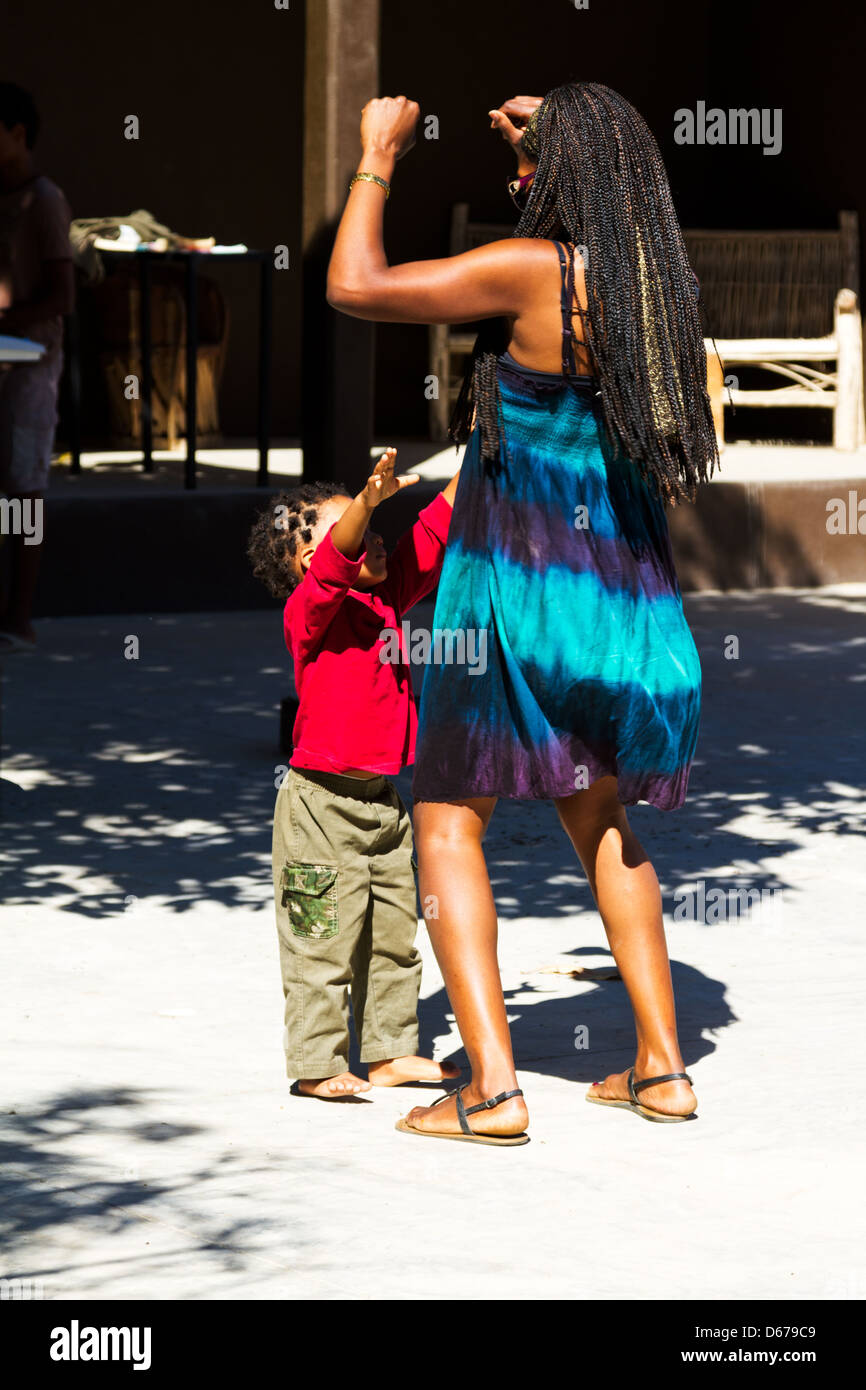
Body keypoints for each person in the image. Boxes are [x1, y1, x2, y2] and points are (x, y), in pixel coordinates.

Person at [326, 83, 719, 1143]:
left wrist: (377, 154)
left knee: (447, 814)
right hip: (611, 597)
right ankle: (660, 1067)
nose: (517, 177)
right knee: (598, 814)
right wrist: (551, 132)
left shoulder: (529, 271)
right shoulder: (656, 287)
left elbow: (354, 283)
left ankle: (489, 1087)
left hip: (508, 581)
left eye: (533, 165)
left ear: (565, 179)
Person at [247, 448, 462, 1099]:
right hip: (316, 809)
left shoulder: (388, 595)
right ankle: (315, 1063)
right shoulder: (308, 613)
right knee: (320, 941)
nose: (375, 538)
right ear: (312, 564)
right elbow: (339, 557)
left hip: (380, 802)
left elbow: (434, 530)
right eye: (360, 532)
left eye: (373, 527)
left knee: (394, 934)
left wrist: (483, 446)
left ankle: (391, 1051)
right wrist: (367, 500)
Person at [0, 83, 73, 651]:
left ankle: (18, 615)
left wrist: (9, 320)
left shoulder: (44, 200)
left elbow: (61, 296)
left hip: (31, 364)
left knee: (24, 490)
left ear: (17, 133)